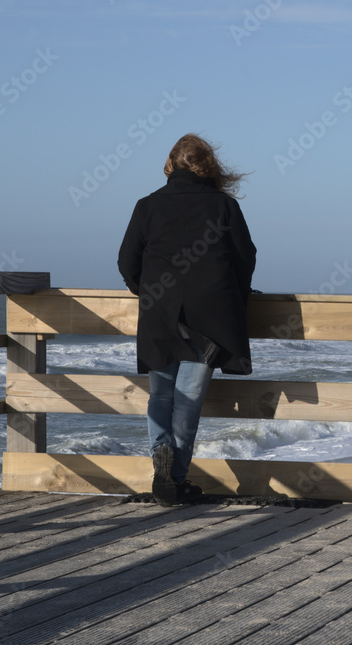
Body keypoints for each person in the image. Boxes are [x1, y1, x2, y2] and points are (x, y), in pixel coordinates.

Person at [118, 133, 257, 507]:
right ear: (208, 165)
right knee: (188, 400)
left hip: (159, 313)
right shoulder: (223, 206)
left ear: (170, 165)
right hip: (210, 318)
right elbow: (246, 257)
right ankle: (175, 477)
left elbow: (126, 262)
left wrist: (145, 291)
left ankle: (162, 462)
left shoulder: (146, 206)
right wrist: (237, 298)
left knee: (162, 394)